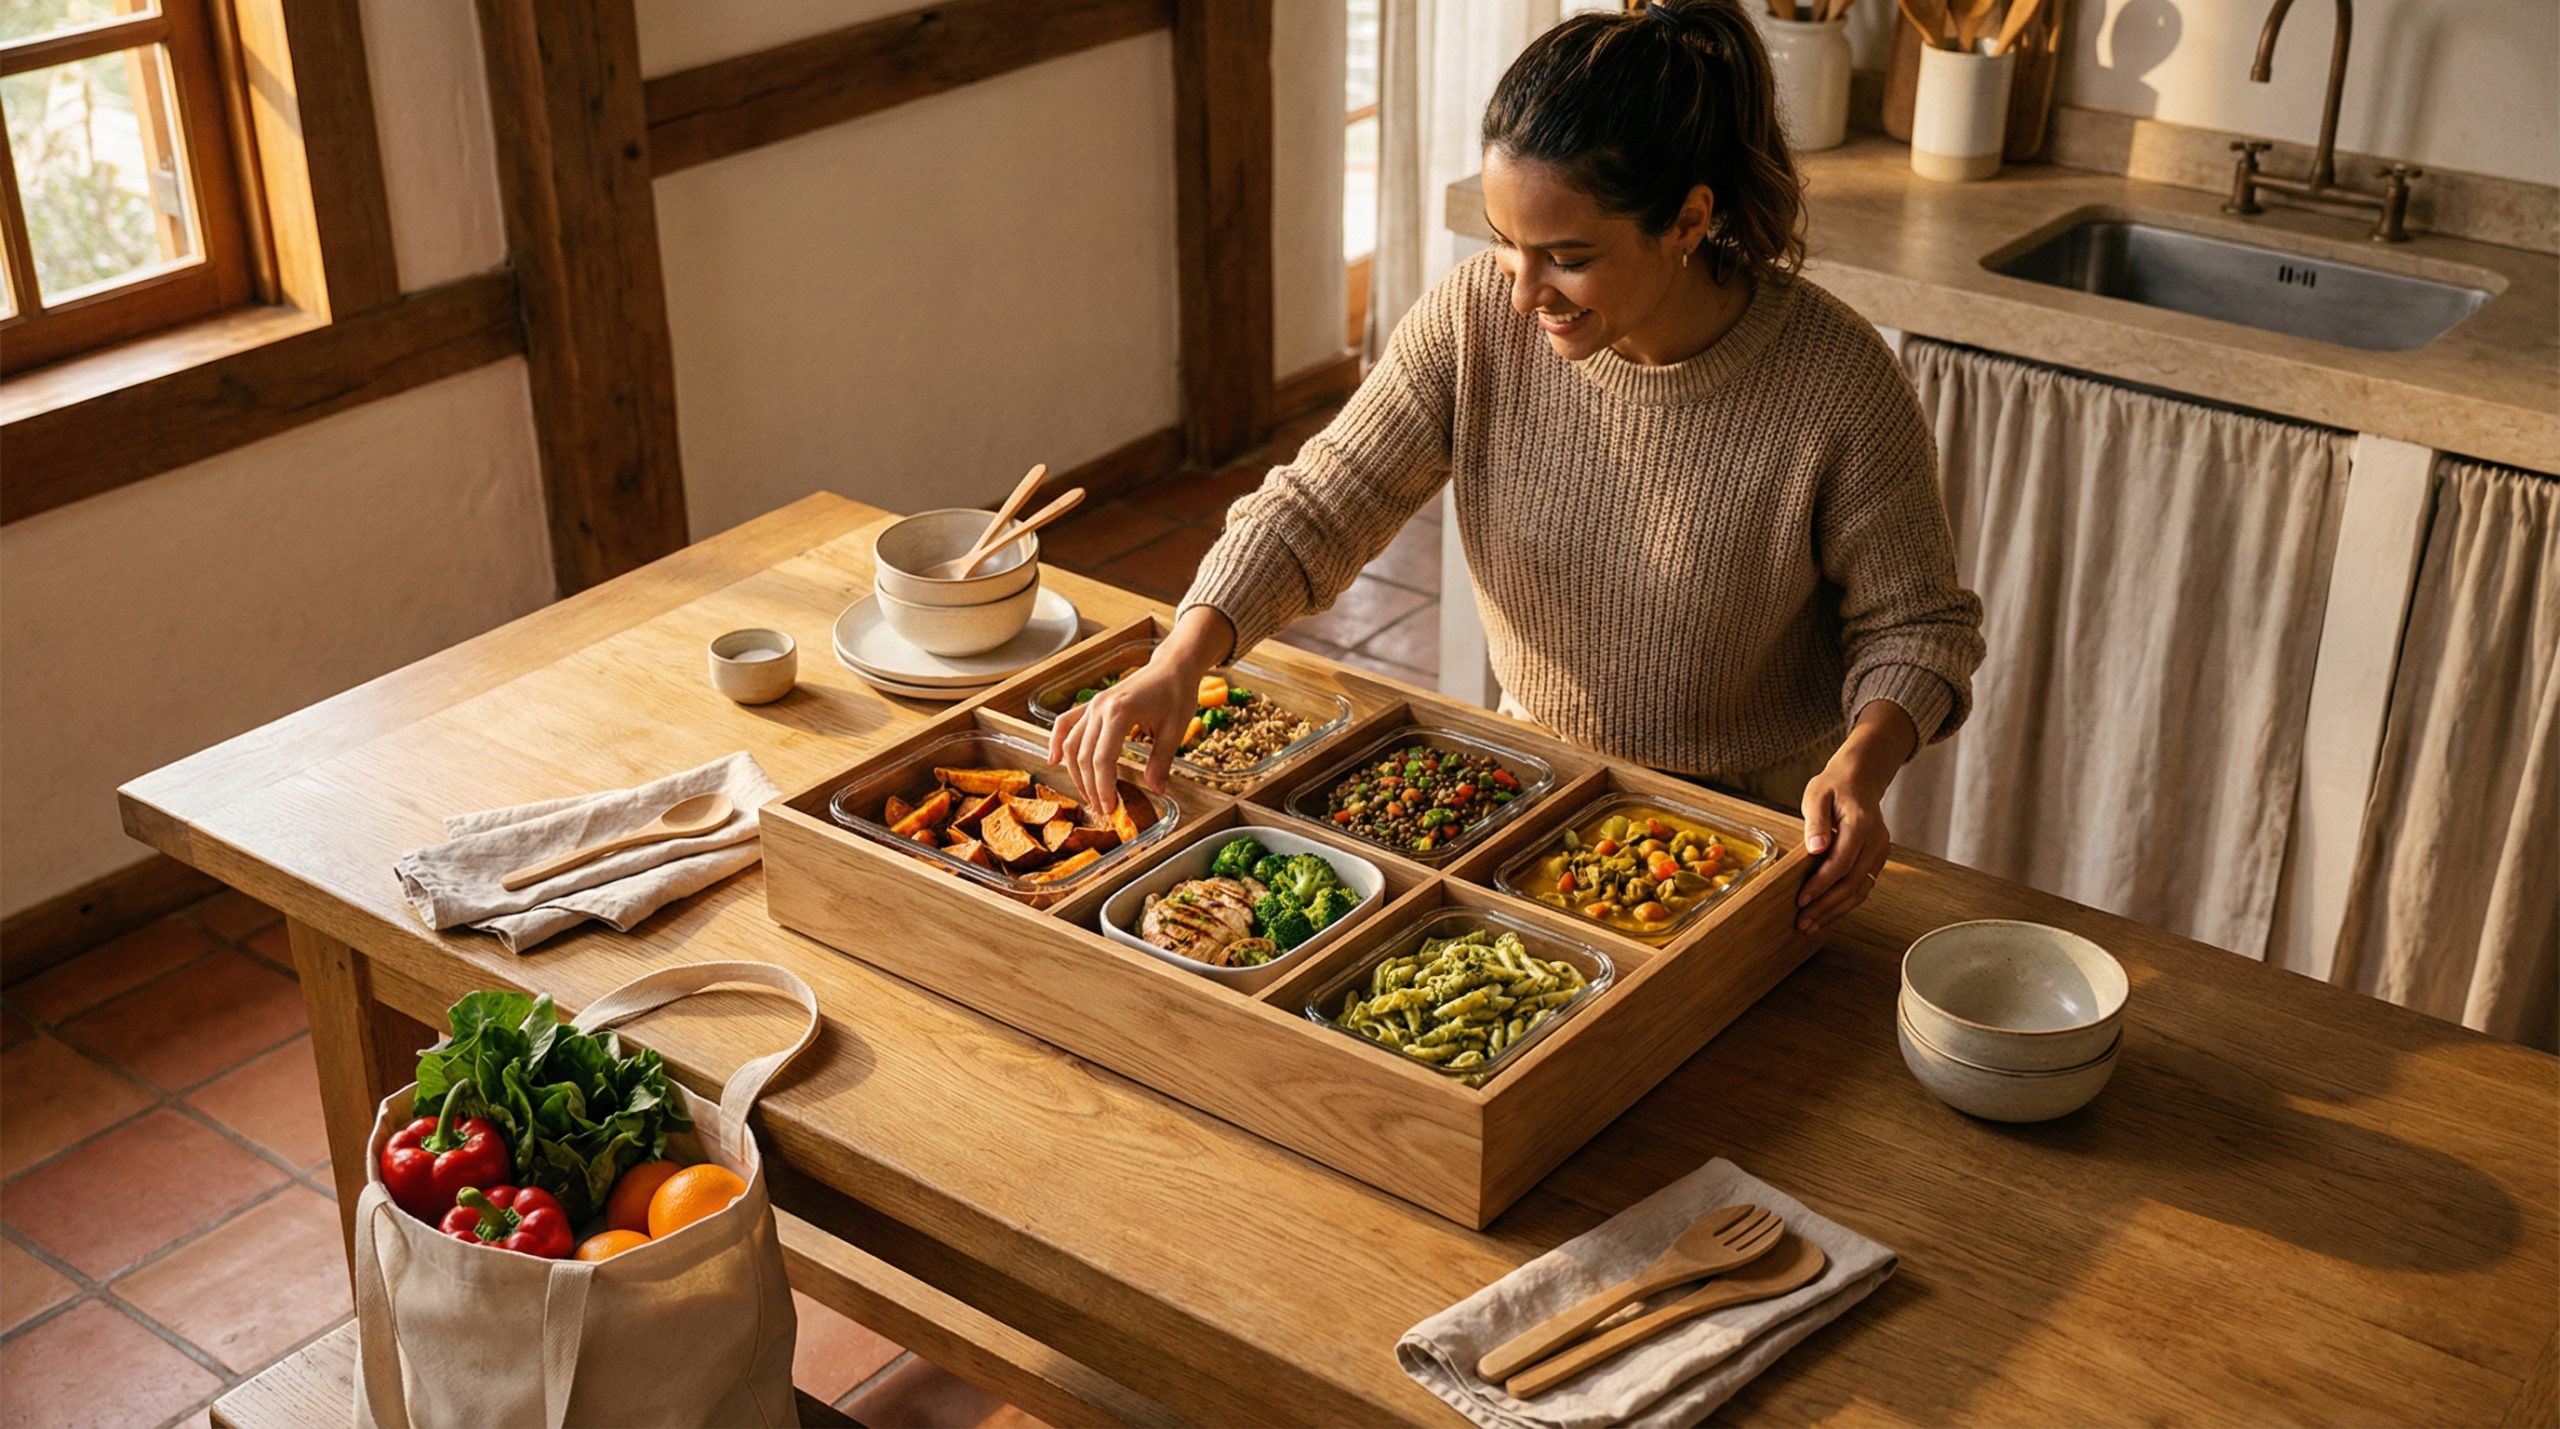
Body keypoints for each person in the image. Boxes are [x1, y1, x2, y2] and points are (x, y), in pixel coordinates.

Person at [1052, 0, 1983, 936]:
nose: (1526, 292)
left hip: (1757, 822)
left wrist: (1861, 769)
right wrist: (1182, 655)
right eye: (1506, 243)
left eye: (1568, 258)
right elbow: (1321, 503)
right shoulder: (1476, 321)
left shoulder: (1839, 382)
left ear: (1689, 220)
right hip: (1532, 781)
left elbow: (1918, 627)